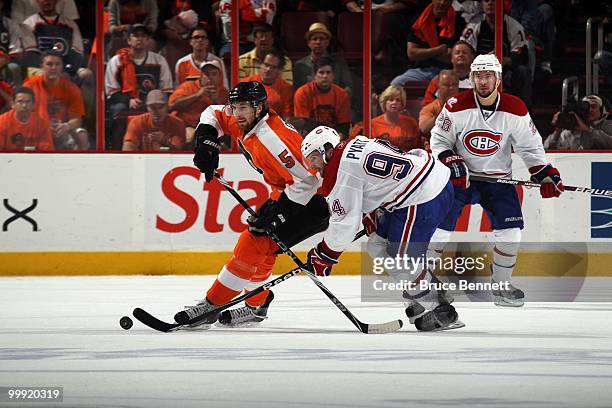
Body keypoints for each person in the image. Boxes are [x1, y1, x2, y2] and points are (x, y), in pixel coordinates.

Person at [175, 81, 328, 328]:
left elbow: (311, 181)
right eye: (234, 107)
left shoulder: (273, 139)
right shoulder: (244, 119)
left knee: (254, 241)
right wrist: (206, 141)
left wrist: (281, 213)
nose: (236, 114)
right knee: (264, 248)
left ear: (259, 108)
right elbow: (212, 112)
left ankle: (213, 304)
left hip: (315, 202)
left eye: (243, 107)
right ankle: (257, 307)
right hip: (287, 192)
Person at [428, 54, 564, 307]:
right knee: (439, 229)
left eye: (488, 75)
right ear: (470, 78)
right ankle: (424, 284)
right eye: (478, 75)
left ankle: (501, 286)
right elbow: (439, 141)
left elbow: (530, 147)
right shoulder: (456, 105)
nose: (483, 81)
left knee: (511, 232)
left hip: (497, 181)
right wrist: (450, 160)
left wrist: (545, 173)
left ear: (498, 79)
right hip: (461, 179)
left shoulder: (515, 108)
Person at [301, 126, 462, 331]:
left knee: (402, 261)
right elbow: (375, 178)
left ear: (327, 150)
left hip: (421, 197)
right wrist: (372, 210)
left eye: (314, 158)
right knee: (377, 245)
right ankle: (429, 291)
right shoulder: (355, 143)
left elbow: (345, 225)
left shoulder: (337, 171)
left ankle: (441, 310)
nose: (313, 166)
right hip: (427, 181)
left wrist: (324, 255)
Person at [105, 23, 173, 149]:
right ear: (129, 40)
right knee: (117, 110)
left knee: (167, 112)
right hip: (125, 103)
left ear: (148, 40)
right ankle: (117, 149)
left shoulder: (159, 60)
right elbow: (111, 91)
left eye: (143, 36)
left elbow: (167, 90)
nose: (139, 38)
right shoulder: (116, 61)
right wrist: (128, 100)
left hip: (154, 104)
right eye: (136, 35)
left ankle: (160, 147)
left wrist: (153, 102)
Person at [462, 0, 533, 107]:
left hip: (505, 72)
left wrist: (506, 60)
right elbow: (464, 48)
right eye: (486, 0)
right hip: (478, 70)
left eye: (494, 1)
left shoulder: (513, 26)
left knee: (523, 72)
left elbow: (522, 54)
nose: (490, 3)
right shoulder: (474, 25)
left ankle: (523, 113)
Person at [23, 50, 88, 150]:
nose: (53, 68)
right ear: (42, 66)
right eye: (49, 64)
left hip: (61, 131)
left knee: (81, 135)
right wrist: (43, 125)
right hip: (36, 129)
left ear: (62, 67)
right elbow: (22, 114)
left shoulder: (72, 88)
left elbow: (77, 120)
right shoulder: (30, 86)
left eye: (57, 64)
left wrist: (66, 126)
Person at [390, 0, 465, 86]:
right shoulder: (420, 19)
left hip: (446, 71)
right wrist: (437, 50)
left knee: (442, 85)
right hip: (421, 70)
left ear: (451, 2)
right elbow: (411, 53)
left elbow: (449, 58)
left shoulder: (458, 21)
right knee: (396, 83)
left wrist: (423, 53)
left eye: (446, 0)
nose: (442, 3)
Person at [169, 60, 228, 147]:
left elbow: (229, 117)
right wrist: (197, 95)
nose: (210, 77)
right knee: (190, 136)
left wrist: (217, 101)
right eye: (207, 74)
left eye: (214, 74)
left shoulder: (223, 92)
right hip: (184, 125)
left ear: (220, 77)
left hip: (208, 128)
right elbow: (172, 106)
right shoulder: (188, 86)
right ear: (201, 76)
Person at [293, 56, 351, 137]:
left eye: (328, 72)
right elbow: (303, 123)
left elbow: (344, 125)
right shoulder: (302, 93)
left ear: (333, 75)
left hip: (335, 138)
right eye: (321, 72)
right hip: (310, 137)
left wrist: (336, 141)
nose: (325, 76)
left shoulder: (342, 94)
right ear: (314, 75)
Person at [293, 22, 353, 98]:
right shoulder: (299, 65)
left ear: (327, 42)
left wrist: (340, 99)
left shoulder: (339, 63)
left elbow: (348, 86)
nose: (318, 42)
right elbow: (297, 91)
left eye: (321, 39)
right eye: (314, 39)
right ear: (308, 43)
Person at [544, 95, 612, 150]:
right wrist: (557, 131)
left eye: (593, 106)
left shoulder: (608, 125)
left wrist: (588, 130)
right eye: (586, 107)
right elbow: (547, 149)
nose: (590, 110)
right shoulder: (572, 130)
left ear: (601, 110)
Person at [243, 49, 293, 119]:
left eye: (273, 67)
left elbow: (287, 118)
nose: (268, 69)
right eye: (266, 65)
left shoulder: (286, 89)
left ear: (280, 71)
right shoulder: (245, 84)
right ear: (261, 65)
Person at [422, 40, 474, 108]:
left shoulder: (479, 81)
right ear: (451, 58)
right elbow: (427, 107)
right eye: (457, 53)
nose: (461, 55)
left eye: (464, 53)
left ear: (472, 57)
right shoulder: (438, 81)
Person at [174, 24, 228, 89]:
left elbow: (224, 88)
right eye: (196, 37)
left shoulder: (218, 62)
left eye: (203, 37)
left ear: (207, 42)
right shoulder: (181, 63)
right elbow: (178, 90)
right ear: (190, 41)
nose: (200, 40)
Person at [0, 86, 53, 151]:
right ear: (13, 104)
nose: (24, 105)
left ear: (33, 105)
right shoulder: (2, 122)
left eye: (28, 102)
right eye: (20, 102)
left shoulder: (42, 124)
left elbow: (47, 152)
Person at [371, 85, 421, 151]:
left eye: (398, 100)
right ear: (384, 102)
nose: (394, 102)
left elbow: (418, 148)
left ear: (402, 104)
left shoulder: (411, 123)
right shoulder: (372, 124)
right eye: (391, 100)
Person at [419, 69, 459, 140]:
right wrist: (445, 112)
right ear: (438, 87)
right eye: (446, 85)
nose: (451, 88)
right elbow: (424, 128)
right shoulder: (430, 108)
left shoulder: (466, 106)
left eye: (454, 85)